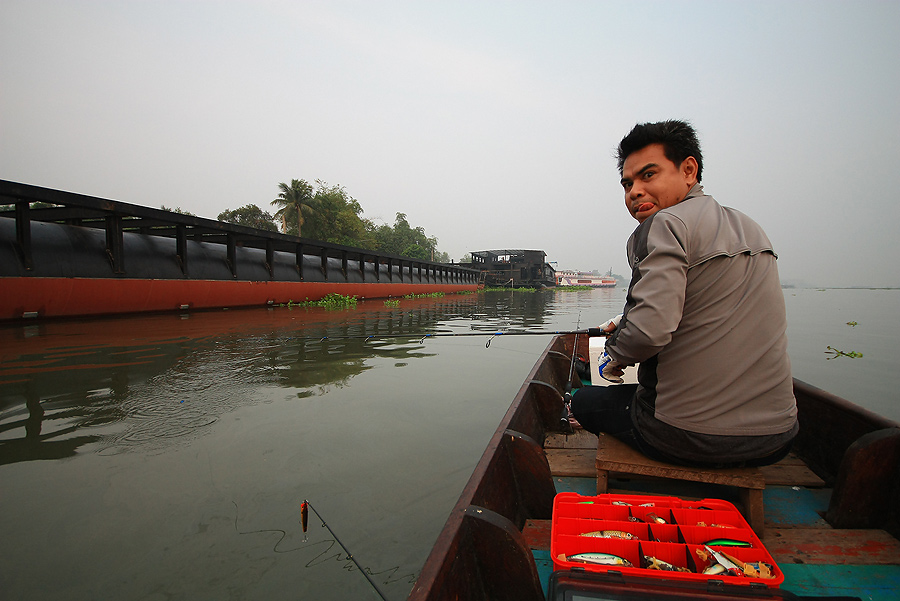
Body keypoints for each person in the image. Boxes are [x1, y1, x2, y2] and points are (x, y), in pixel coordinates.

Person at [570, 120, 798, 468]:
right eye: (628, 183)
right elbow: (703, 302)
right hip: (778, 437)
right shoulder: (752, 228)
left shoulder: (664, 225)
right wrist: (623, 320)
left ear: (688, 170)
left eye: (649, 175)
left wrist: (616, 355)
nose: (634, 192)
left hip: (687, 436)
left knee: (585, 401)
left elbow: (649, 332)